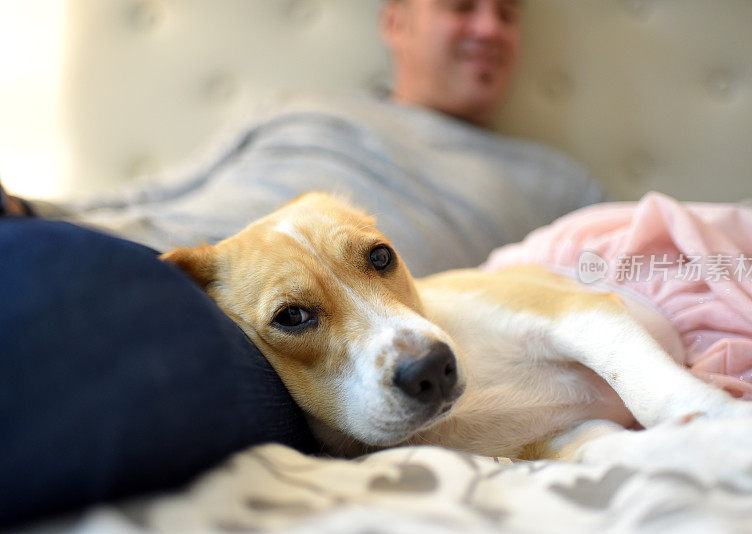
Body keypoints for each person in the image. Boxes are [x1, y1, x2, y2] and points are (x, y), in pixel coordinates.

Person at [1, 0, 607, 526]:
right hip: (106, 246)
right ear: (395, 21)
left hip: (258, 337)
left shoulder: (551, 179)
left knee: (53, 300)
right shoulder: (296, 108)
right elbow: (152, 195)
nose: (490, 29)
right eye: (461, 7)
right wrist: (28, 206)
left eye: (508, 14)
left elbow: (615, 267)